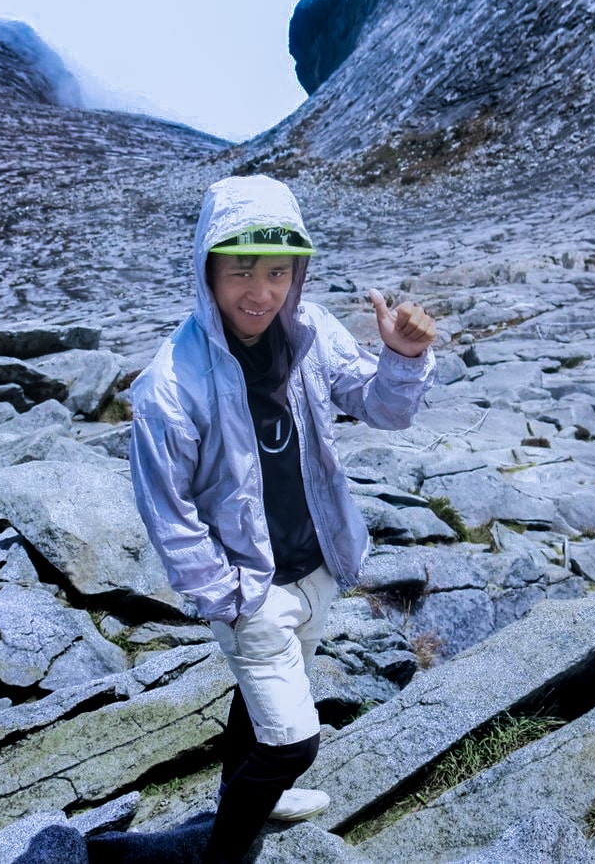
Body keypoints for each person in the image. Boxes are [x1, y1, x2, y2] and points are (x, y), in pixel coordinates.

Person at [128, 174, 435, 863]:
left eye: (277, 271)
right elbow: (167, 511)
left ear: (298, 273)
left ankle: (250, 791)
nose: (260, 292)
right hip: (251, 586)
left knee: (265, 699)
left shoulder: (310, 332)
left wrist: (403, 356)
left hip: (316, 566)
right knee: (294, 743)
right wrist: (228, 598)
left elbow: (383, 408)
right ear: (207, 268)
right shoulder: (171, 383)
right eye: (241, 270)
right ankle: (222, 854)